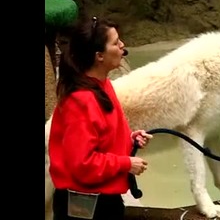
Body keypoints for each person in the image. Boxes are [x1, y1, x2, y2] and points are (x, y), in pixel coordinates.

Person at [48, 16, 153, 220]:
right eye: (115, 43)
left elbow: (100, 136)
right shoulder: (80, 101)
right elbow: (83, 164)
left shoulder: (103, 85)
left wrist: (129, 139)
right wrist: (125, 163)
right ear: (99, 56)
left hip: (103, 197)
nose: (122, 45)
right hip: (84, 205)